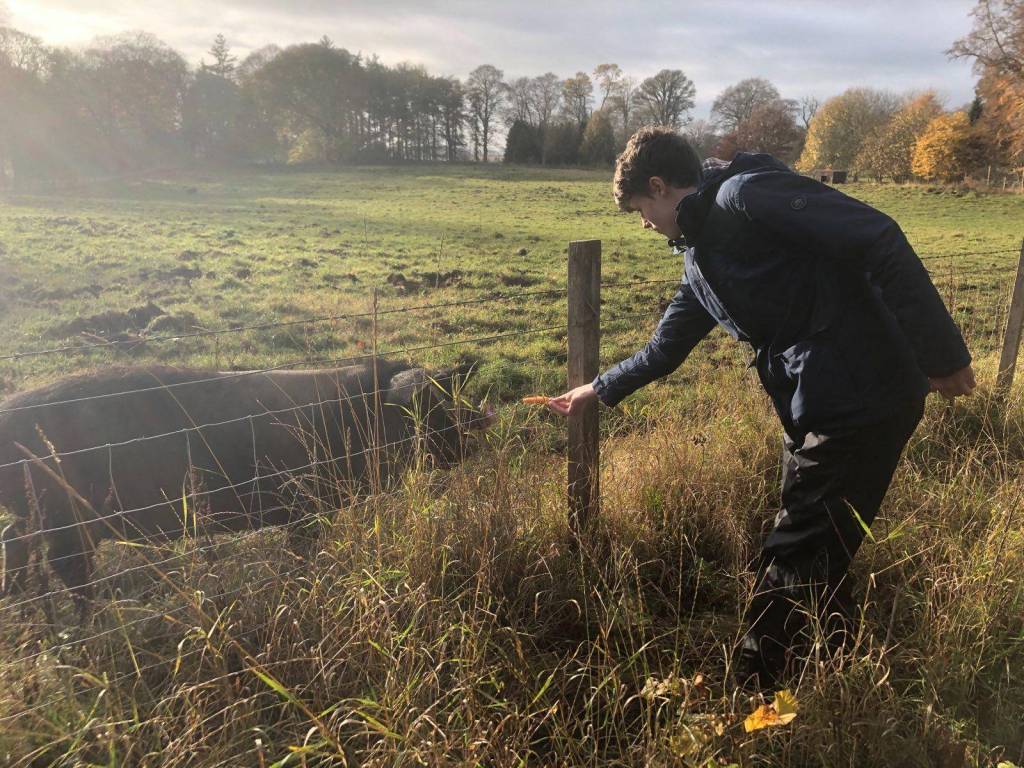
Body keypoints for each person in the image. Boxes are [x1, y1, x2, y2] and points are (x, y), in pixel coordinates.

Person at [546, 126, 976, 688]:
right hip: (813, 406)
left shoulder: (747, 196)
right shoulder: (700, 262)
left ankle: (751, 691)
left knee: (796, 546)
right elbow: (664, 348)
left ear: (658, 186)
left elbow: (878, 236)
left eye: (640, 211)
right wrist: (597, 389)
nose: (645, 225)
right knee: (818, 536)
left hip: (864, 395)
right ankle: (833, 657)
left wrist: (941, 357)